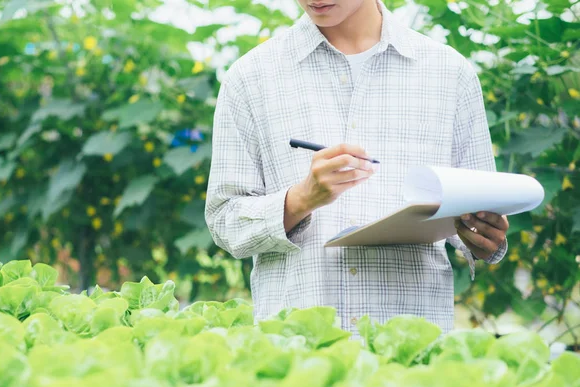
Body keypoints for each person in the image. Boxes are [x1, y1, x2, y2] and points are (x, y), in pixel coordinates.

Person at [205, 0, 509, 334]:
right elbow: (224, 221)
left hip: (412, 346)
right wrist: (300, 200)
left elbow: (479, 211)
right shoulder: (251, 78)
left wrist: (483, 237)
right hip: (296, 353)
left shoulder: (450, 73)